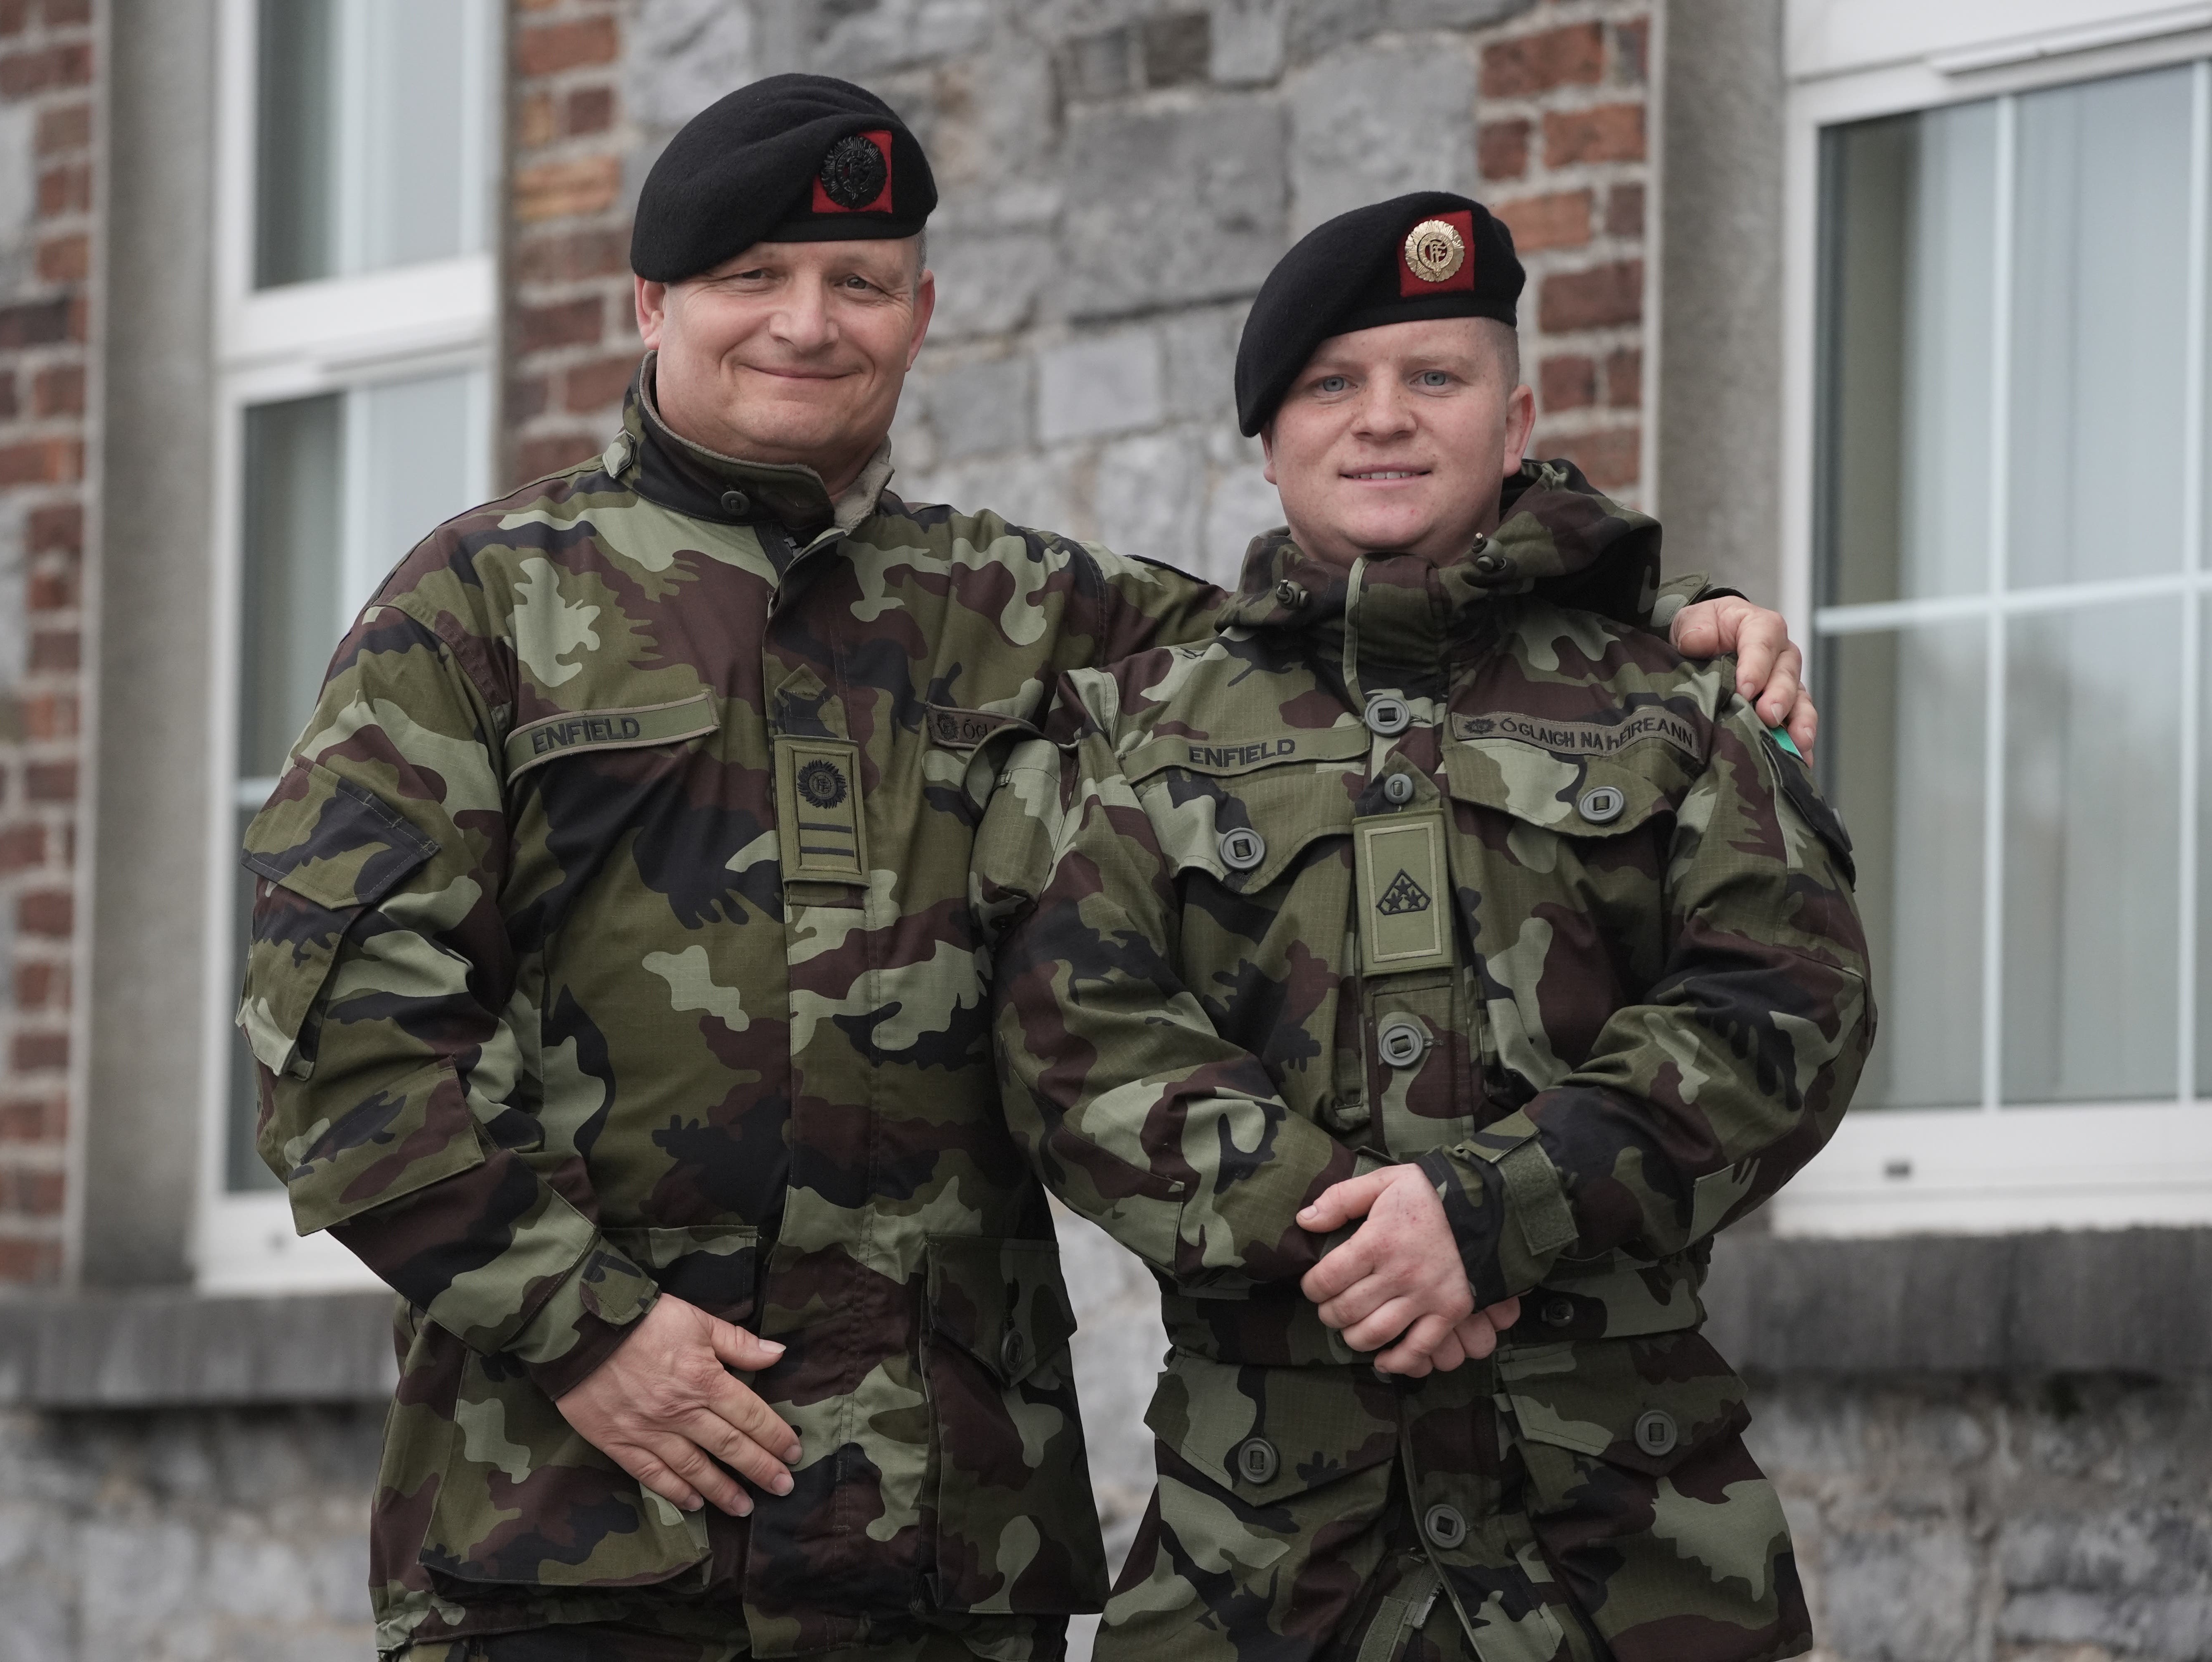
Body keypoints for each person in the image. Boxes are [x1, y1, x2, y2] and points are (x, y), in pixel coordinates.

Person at [235, 72, 1817, 1662]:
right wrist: (586, 1331)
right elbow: (344, 1033)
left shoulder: (1047, 615)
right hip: (567, 1533)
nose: (807, 322)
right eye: (751, 280)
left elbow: (1383, 641)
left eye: (858, 283)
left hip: (943, 1547)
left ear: (921, 313)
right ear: (651, 304)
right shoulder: (481, 609)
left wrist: (1666, 621)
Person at [971, 192, 1873, 1662]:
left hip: (1628, 1543)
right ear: (1267, 439)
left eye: (1433, 379)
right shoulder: (1140, 737)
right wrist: (1364, 1238)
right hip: (1259, 1552)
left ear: (1516, 422)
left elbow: (1788, 1003)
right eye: (1334, 383)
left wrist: (1492, 1213)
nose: (1383, 419)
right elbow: (1072, 1046)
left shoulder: (1674, 704)